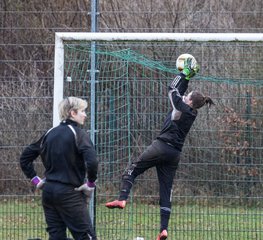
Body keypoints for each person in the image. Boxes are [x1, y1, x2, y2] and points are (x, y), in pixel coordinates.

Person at [105, 57, 214, 240]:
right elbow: (181, 91)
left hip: (161, 146)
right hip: (175, 154)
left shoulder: (180, 107)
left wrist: (183, 74)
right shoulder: (192, 112)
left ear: (188, 102)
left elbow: (172, 89)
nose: (184, 96)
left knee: (133, 169)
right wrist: (187, 79)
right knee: (165, 191)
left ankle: (122, 199)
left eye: (186, 96)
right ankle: (163, 229)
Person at [20, 96, 99, 240]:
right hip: (70, 194)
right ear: (72, 113)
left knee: (57, 237)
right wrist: (90, 184)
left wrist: (37, 181)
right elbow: (92, 162)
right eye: (83, 111)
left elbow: (25, 159)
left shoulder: (49, 134)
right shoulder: (79, 135)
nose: (85, 115)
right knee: (86, 237)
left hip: (48, 193)